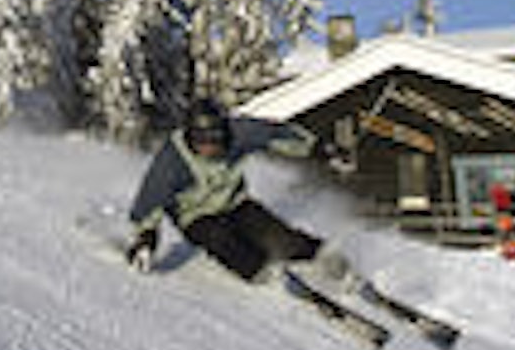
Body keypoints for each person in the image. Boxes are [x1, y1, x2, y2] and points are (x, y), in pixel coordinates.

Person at [125, 99, 352, 287]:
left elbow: (275, 134)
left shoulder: (239, 133)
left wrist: (319, 148)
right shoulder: (172, 160)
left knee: (273, 232)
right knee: (222, 240)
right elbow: (150, 198)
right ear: (191, 136)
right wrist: (146, 238)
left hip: (234, 203)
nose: (211, 148)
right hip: (195, 216)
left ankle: (320, 257)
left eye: (216, 140)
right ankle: (265, 274)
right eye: (203, 142)